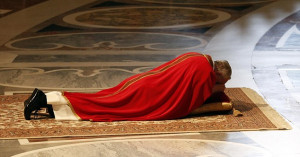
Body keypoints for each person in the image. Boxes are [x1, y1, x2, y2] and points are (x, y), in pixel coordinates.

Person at [24, 52, 232, 121]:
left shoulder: (199, 58)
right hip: (149, 94)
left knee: (102, 98)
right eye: (220, 82)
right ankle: (43, 99)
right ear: (217, 74)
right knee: (105, 107)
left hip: (143, 81)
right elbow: (190, 103)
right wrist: (216, 91)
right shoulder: (205, 74)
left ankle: (48, 103)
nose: (218, 85)